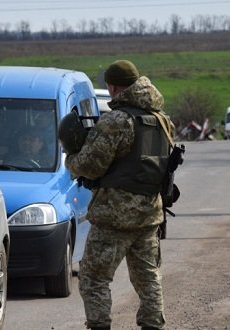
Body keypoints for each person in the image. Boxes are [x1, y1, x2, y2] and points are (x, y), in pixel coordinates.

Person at [62, 60, 173, 330]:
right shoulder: (161, 119)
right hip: (150, 213)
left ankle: (100, 325)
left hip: (114, 215)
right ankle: (153, 325)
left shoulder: (117, 121)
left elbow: (91, 165)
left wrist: (71, 161)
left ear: (113, 87)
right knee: (148, 277)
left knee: (94, 277)